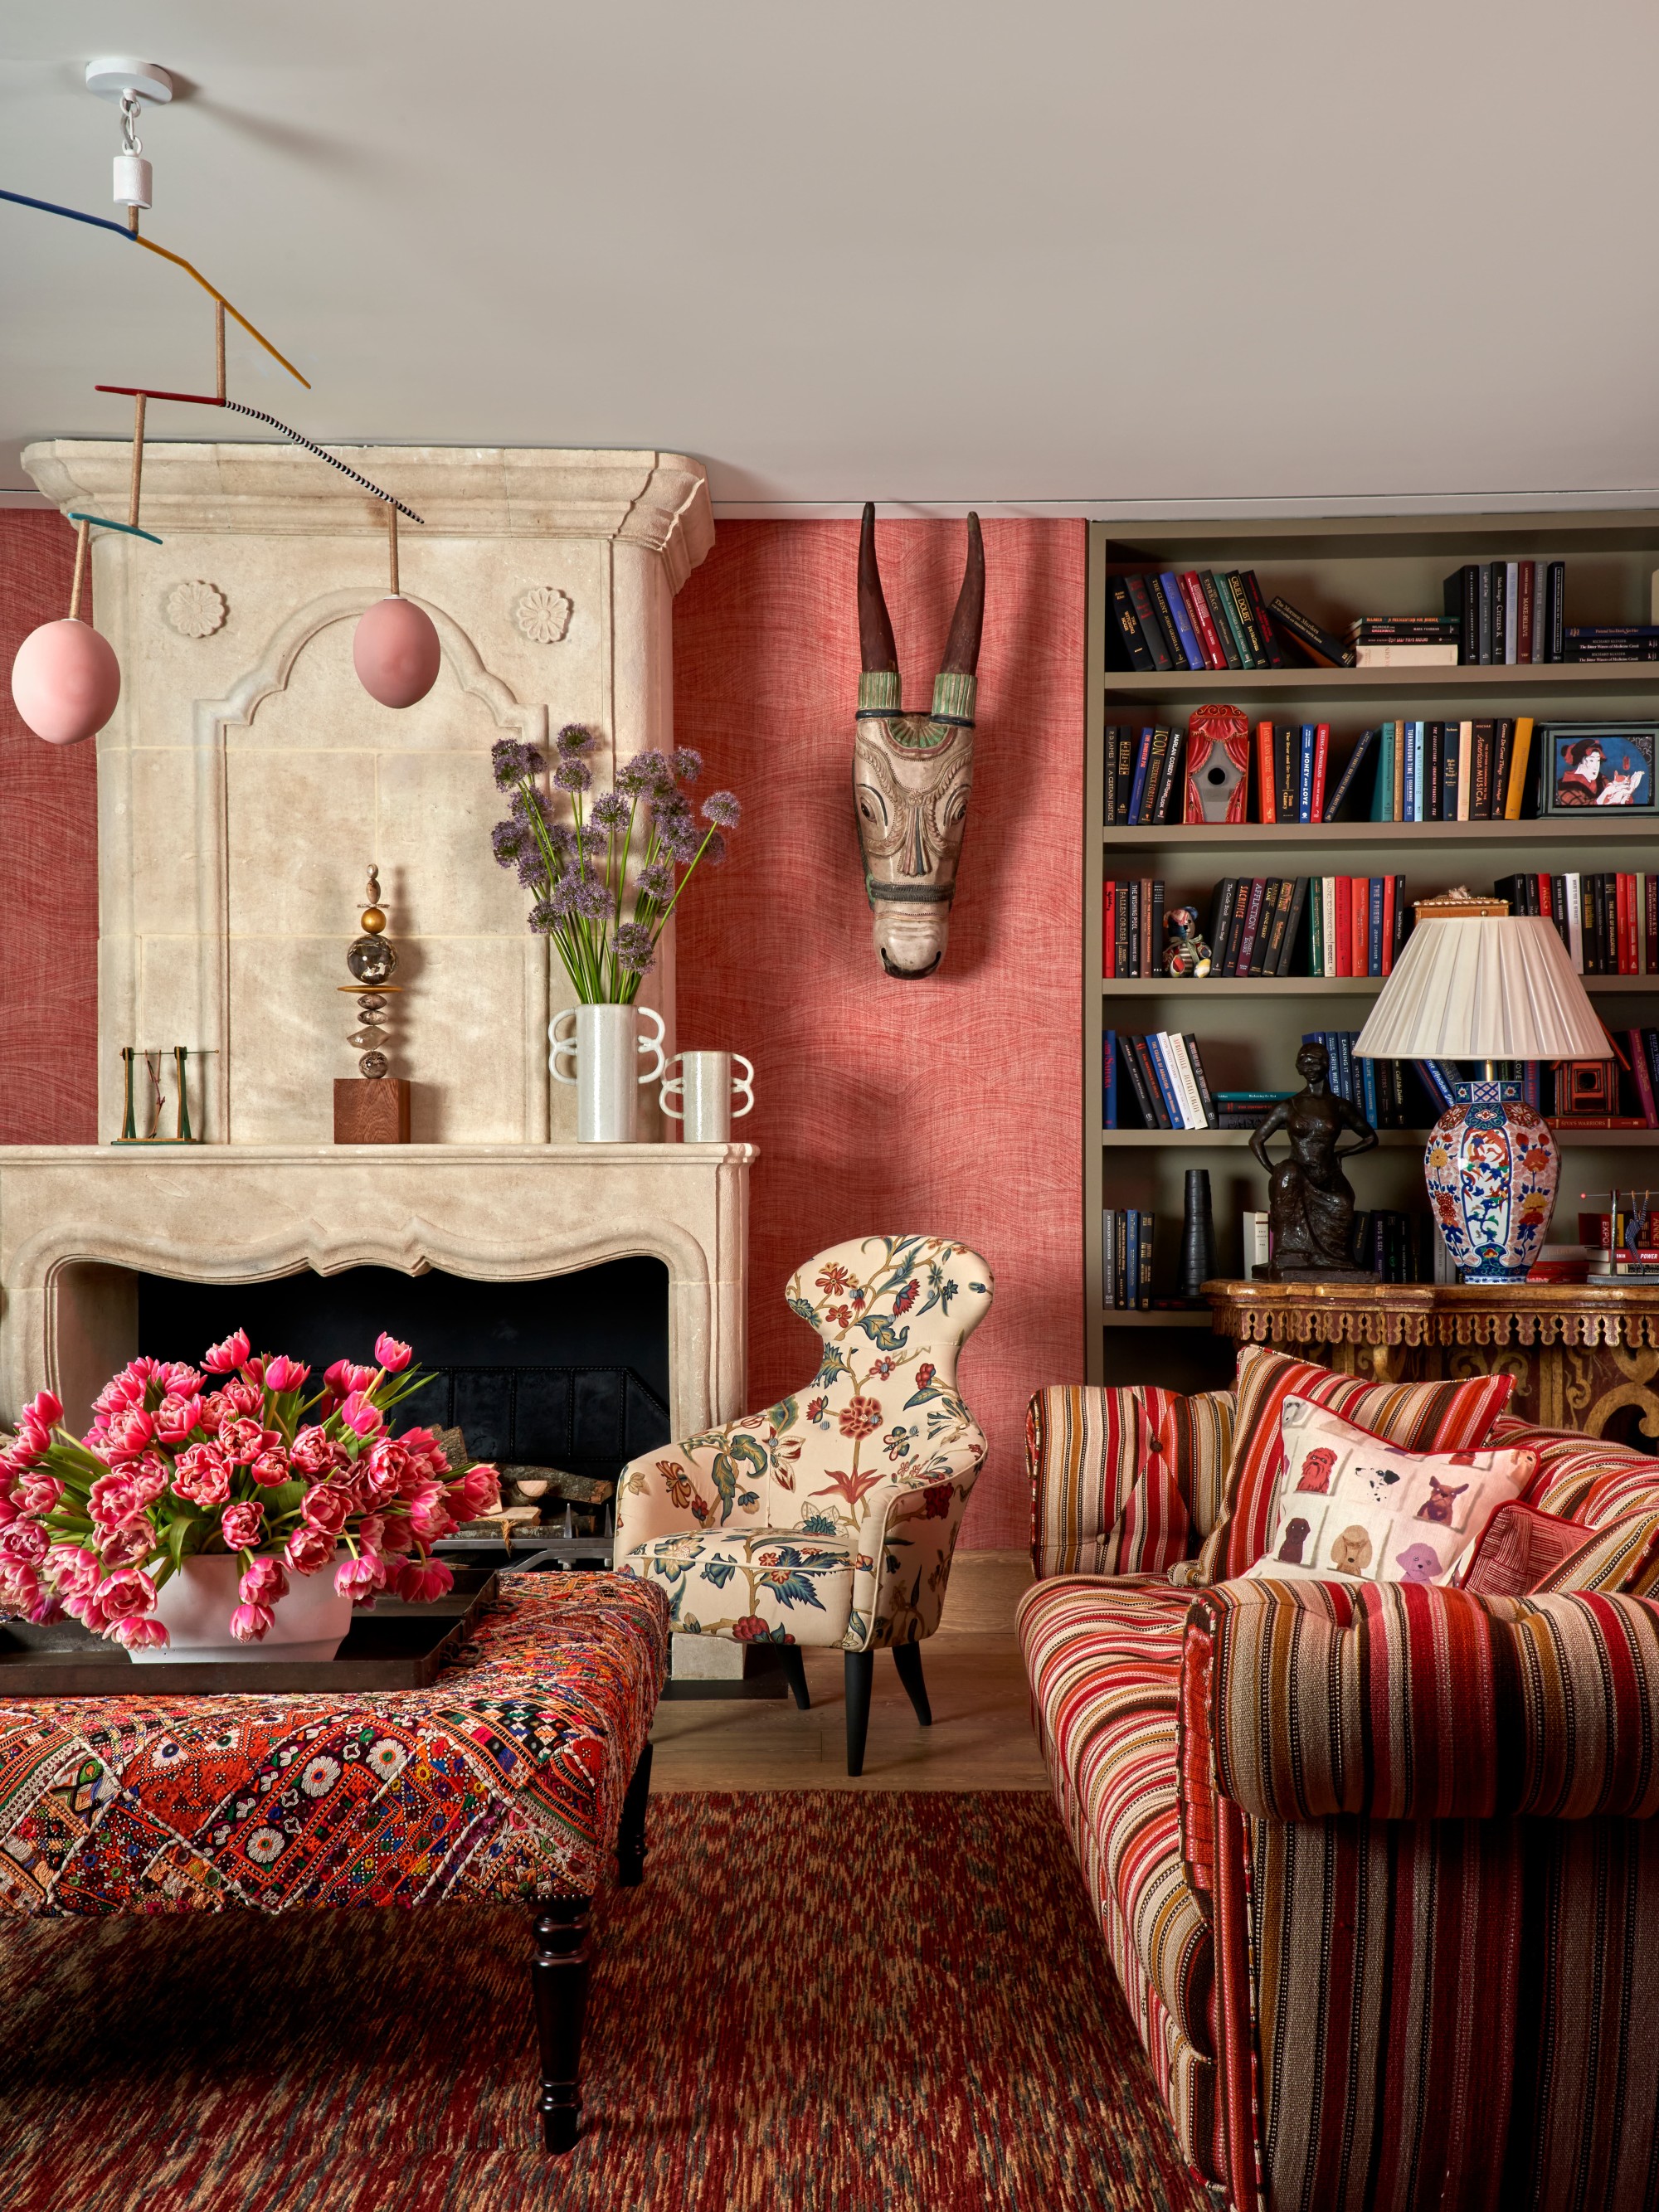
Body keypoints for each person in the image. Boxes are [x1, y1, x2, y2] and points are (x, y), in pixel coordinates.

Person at [1248, 1039, 1377, 1276]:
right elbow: (1256, 1140)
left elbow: (1370, 1138)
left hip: (1329, 1176)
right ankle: (1291, 1255)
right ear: (1298, 1067)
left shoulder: (1339, 1106)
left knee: (1343, 1206)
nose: (1309, 1066)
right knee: (1289, 1174)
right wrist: (1276, 1172)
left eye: (1315, 1061)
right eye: (1304, 1062)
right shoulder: (1289, 1105)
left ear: (1326, 1065)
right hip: (1296, 1175)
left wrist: (1342, 1154)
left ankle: (1332, 1262)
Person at [1554, 736, 1645, 808]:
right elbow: (1581, 813)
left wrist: (1628, 790)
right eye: (1592, 760)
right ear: (1579, 762)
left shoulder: (1601, 779)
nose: (1596, 766)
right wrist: (1605, 794)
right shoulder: (1566, 786)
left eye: (1598, 761)